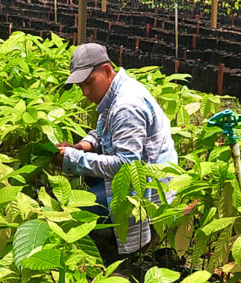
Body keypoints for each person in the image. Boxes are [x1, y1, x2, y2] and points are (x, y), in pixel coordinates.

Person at [56, 43, 178, 263]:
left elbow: (126, 165)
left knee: (76, 208)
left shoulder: (126, 106)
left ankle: (119, 252)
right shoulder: (116, 92)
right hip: (142, 175)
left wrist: (72, 158)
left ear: (106, 70)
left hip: (150, 191)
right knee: (88, 177)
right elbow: (103, 132)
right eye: (80, 86)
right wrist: (82, 146)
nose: (85, 92)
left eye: (88, 83)